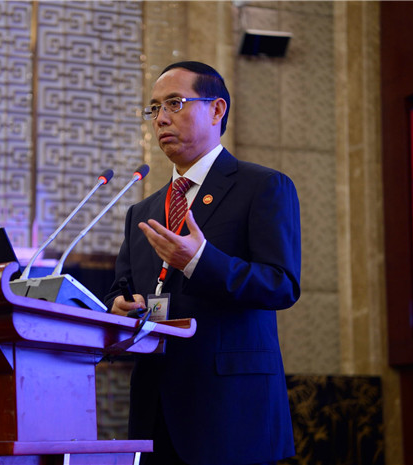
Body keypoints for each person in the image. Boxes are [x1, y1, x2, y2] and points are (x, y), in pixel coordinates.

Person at [104, 61, 301, 465]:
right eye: (154, 108)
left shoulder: (262, 187)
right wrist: (118, 310)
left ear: (216, 110)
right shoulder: (143, 211)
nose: (161, 118)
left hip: (230, 412)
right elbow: (121, 292)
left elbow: (281, 284)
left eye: (175, 103)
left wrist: (198, 261)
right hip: (155, 411)